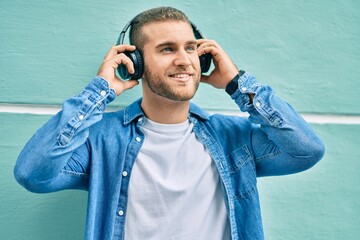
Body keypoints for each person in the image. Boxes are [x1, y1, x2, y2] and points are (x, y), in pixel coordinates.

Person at [14, 6, 325, 240]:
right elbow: (32, 173)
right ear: (135, 63)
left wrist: (237, 84)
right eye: (167, 49)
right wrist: (98, 93)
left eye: (191, 48)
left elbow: (306, 149)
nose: (184, 60)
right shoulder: (101, 139)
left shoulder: (233, 137)